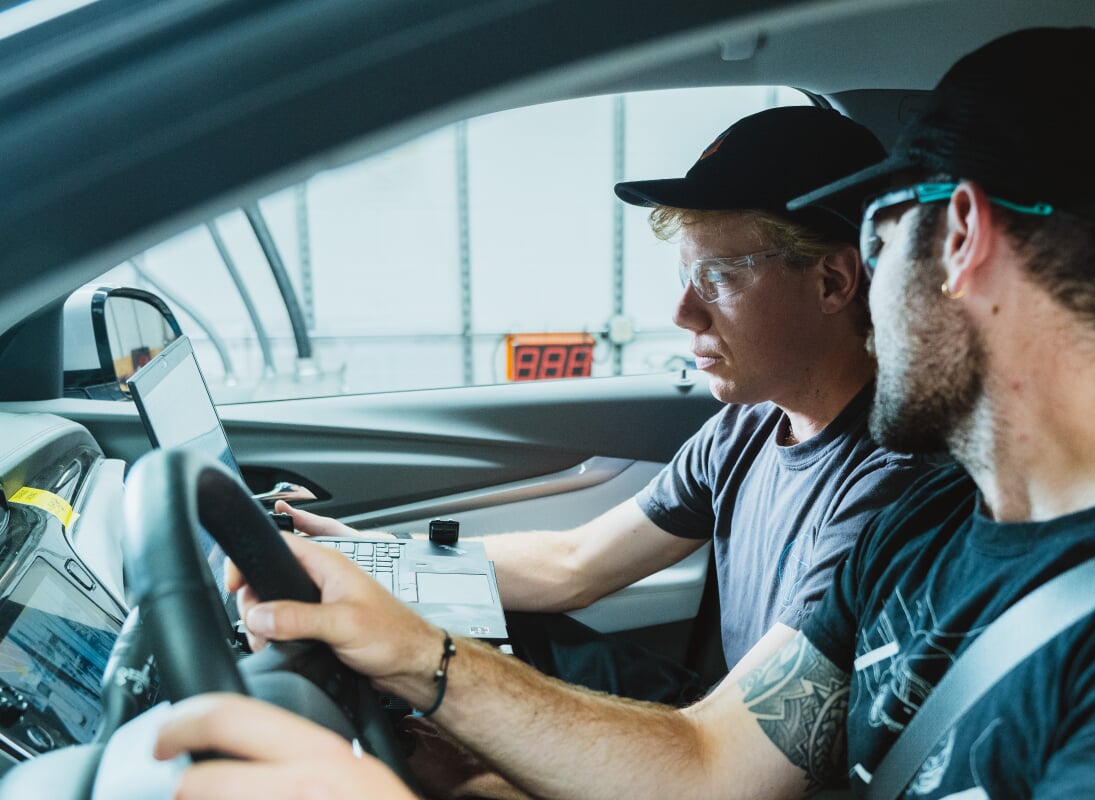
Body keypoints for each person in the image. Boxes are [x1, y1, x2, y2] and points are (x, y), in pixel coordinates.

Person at [156, 26, 1095, 800]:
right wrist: (419, 657)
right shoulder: (920, 536)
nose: (874, 288)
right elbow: (709, 764)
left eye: (881, 238)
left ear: (960, 230)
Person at [280, 105, 932, 704]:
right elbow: (576, 565)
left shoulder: (888, 486)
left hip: (743, 751)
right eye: (685, 275)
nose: (682, 312)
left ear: (833, 281)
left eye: (718, 277)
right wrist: (376, 561)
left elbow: (748, 757)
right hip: (717, 722)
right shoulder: (748, 427)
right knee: (498, 629)